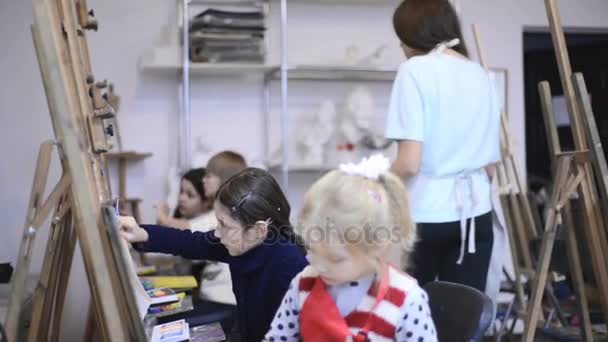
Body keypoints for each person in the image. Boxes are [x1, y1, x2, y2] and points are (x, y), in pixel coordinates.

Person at [385, 0, 500, 291]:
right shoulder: (481, 74)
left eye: (402, 38)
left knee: (406, 317)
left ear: (415, 35)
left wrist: (374, 182)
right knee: (462, 320)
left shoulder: (414, 70)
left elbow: (409, 163)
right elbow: (490, 169)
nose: (401, 46)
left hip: (425, 215)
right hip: (476, 216)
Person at [119, 168, 307, 342]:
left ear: (258, 230)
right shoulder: (242, 242)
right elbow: (190, 242)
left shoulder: (289, 268)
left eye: (224, 225)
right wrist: (141, 233)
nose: (217, 233)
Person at [264, 155, 437, 341]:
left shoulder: (405, 300)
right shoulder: (304, 284)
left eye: (335, 258)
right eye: (313, 251)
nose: (320, 266)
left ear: (376, 247)